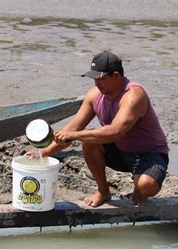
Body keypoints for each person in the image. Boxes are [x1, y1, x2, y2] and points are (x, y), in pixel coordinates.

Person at [30, 51, 169, 207]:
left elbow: (115, 132)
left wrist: (73, 135)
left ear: (116, 76)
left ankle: (139, 187)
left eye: (101, 79)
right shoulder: (94, 95)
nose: (97, 84)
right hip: (119, 152)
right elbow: (72, 128)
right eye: (94, 79)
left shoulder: (133, 95)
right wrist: (43, 153)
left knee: (146, 186)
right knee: (89, 141)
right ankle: (103, 191)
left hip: (149, 154)